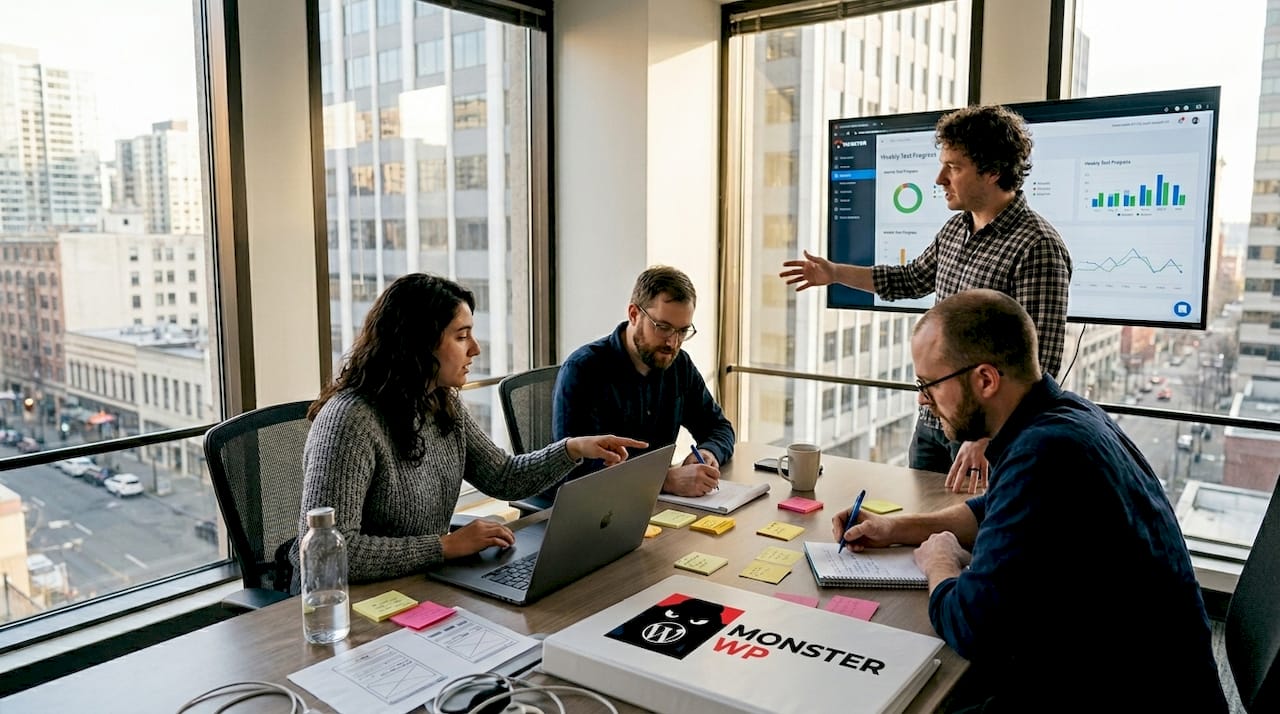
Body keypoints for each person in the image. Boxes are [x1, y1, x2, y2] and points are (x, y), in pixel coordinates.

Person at [832, 289, 1227, 713]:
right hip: (1141, 674)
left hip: (1124, 694)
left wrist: (940, 564)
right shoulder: (1064, 417)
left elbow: (971, 625)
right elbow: (993, 510)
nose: (922, 399)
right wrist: (896, 528)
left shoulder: (1043, 454)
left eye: (929, 384)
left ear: (985, 379)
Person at [781, 104, 1071, 492]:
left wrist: (985, 440)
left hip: (984, 440)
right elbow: (909, 279)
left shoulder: (1038, 247)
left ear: (993, 171)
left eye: (953, 167)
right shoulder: (956, 229)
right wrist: (834, 273)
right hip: (934, 420)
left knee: (968, 540)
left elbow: (1040, 364)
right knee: (917, 525)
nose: (939, 179)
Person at [293, 273, 644, 583]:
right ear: (418, 343)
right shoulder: (349, 421)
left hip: (420, 584)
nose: (475, 349)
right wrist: (444, 546)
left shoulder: (440, 402)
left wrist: (572, 449)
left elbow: (504, 477)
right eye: (462, 336)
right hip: (348, 605)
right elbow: (331, 551)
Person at [551, 266, 735, 498]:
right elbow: (575, 470)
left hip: (655, 506)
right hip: (597, 510)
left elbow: (719, 427)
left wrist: (709, 452)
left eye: (682, 331)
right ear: (634, 314)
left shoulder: (678, 365)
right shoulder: (584, 369)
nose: (672, 342)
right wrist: (663, 481)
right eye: (663, 327)